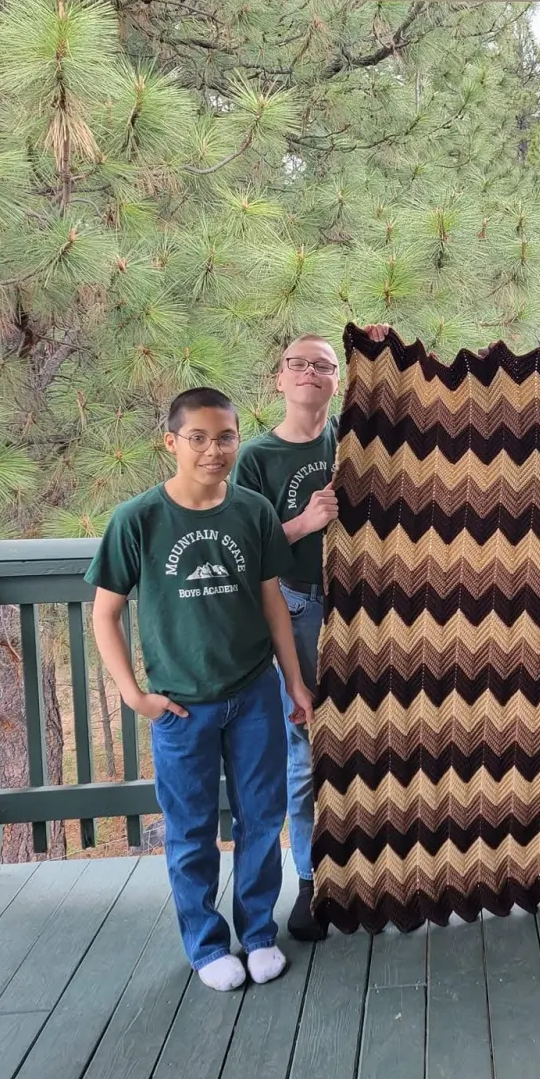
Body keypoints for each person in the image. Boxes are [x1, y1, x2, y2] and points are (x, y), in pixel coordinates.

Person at [89, 386, 313, 991]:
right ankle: (207, 945)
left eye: (225, 437)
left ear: (238, 441)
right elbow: (104, 613)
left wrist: (294, 682)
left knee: (263, 821)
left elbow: (273, 603)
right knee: (190, 830)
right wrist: (134, 696)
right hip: (181, 706)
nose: (213, 450)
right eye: (199, 437)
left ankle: (259, 934)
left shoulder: (252, 511)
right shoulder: (137, 519)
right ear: (172, 442)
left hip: (255, 696)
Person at [234, 327, 391, 941]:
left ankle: (371, 874)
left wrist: (380, 351)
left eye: (323, 366)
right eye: (297, 364)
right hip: (296, 609)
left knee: (375, 739)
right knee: (305, 753)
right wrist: (303, 523)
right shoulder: (256, 458)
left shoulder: (350, 441)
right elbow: (244, 546)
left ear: (335, 381)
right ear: (279, 379)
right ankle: (311, 882)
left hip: (365, 610)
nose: (310, 374)